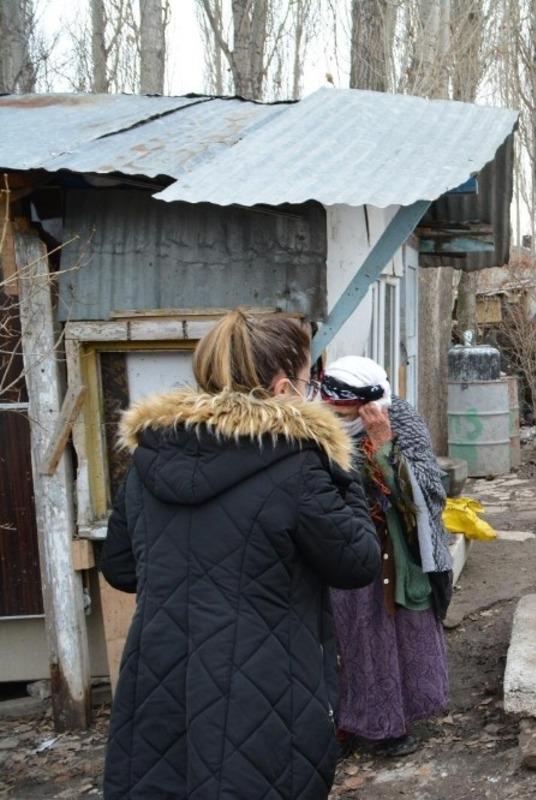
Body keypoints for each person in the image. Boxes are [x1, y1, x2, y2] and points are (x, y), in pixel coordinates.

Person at [100, 310, 380, 799]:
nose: (310, 388)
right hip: (266, 689)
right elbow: (357, 563)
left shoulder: (151, 456)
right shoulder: (298, 465)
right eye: (305, 377)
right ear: (280, 387)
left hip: (161, 685)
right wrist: (344, 468)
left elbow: (121, 568)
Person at [317, 356, 453, 758]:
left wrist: (383, 448)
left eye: (342, 413)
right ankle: (343, 722)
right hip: (338, 548)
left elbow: (427, 493)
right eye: (329, 410)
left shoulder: (403, 421)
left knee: (388, 637)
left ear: (367, 406)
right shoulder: (316, 425)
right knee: (344, 637)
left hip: (390, 550)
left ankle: (390, 724)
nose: (333, 418)